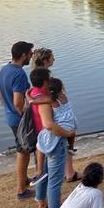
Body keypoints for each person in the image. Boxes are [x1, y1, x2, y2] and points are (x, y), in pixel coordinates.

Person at [30, 70, 74, 208]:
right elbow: (49, 124)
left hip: (43, 140)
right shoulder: (49, 100)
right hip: (55, 141)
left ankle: (41, 201)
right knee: (55, 180)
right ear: (45, 82)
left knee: (43, 173)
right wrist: (67, 134)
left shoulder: (38, 96)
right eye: (48, 78)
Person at [31, 47, 78, 183]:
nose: (54, 59)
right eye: (52, 57)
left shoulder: (39, 78)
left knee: (47, 148)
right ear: (46, 60)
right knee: (49, 150)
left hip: (54, 123)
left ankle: (67, 172)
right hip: (52, 124)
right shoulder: (45, 83)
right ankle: (53, 175)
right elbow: (47, 104)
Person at [0, 41, 34, 199]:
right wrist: (27, 117)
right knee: (23, 152)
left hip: (10, 117)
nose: (31, 57)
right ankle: (21, 190)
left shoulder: (5, 69)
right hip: (19, 120)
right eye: (30, 54)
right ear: (23, 55)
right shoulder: (19, 74)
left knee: (23, 150)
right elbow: (18, 102)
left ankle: (25, 180)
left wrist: (9, 109)